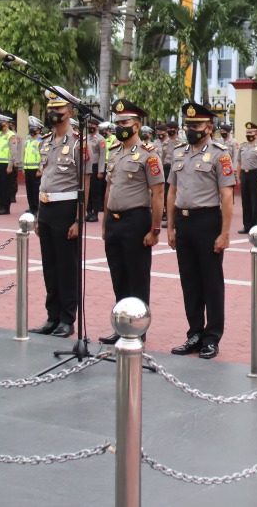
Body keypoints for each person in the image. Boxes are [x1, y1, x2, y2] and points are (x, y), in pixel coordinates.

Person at [166, 101, 235, 360]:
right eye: (188, 125)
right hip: (184, 222)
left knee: (211, 282)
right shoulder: (179, 152)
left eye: (196, 125)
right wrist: (171, 227)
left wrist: (225, 233)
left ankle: (211, 337)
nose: (191, 129)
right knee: (190, 281)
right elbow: (172, 190)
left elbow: (226, 196)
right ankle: (194, 333)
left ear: (209, 127)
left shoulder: (220, 153)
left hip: (208, 221)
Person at [99, 99, 165, 344]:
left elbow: (158, 193)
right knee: (119, 276)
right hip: (115, 221)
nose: (119, 127)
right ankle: (121, 326)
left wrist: (155, 228)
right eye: (117, 123)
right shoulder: (114, 152)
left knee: (137, 277)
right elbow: (109, 188)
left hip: (136, 220)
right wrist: (105, 222)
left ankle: (138, 329)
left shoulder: (149, 155)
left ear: (137, 125)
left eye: (124, 122)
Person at [31, 91, 90, 338]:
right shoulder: (45, 141)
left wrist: (79, 218)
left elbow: (84, 182)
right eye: (51, 110)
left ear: (71, 113)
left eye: (60, 111)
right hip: (46, 208)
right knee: (50, 266)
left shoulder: (78, 142)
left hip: (67, 209)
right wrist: (37, 214)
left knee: (67, 267)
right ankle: (52, 316)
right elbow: (44, 178)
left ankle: (67, 319)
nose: (54, 115)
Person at [237, 122, 257, 234]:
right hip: (245, 175)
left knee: (255, 202)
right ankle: (247, 226)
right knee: (245, 201)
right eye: (247, 132)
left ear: (256, 134)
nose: (249, 134)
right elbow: (239, 162)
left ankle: (255, 227)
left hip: (255, 175)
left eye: (251, 132)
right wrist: (238, 177)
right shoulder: (242, 147)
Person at [0, 114, 19, 216]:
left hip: (6, 164)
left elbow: (13, 152)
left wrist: (10, 165)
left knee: (6, 186)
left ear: (5, 123)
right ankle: (0, 206)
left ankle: (6, 208)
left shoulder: (11, 135)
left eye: (0, 122)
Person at [20, 116, 43, 214]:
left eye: (33, 127)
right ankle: (31, 207)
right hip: (28, 167)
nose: (31, 129)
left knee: (35, 190)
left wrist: (40, 169)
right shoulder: (28, 139)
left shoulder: (41, 139)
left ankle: (37, 208)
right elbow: (25, 153)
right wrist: (24, 166)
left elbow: (43, 155)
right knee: (29, 189)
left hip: (36, 168)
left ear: (38, 128)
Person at [85, 121, 105, 223]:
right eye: (89, 126)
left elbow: (102, 156)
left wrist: (101, 171)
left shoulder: (100, 139)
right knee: (87, 190)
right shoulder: (86, 138)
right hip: (87, 166)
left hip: (95, 166)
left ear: (97, 127)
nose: (90, 127)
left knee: (95, 191)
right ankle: (88, 212)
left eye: (92, 125)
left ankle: (95, 213)